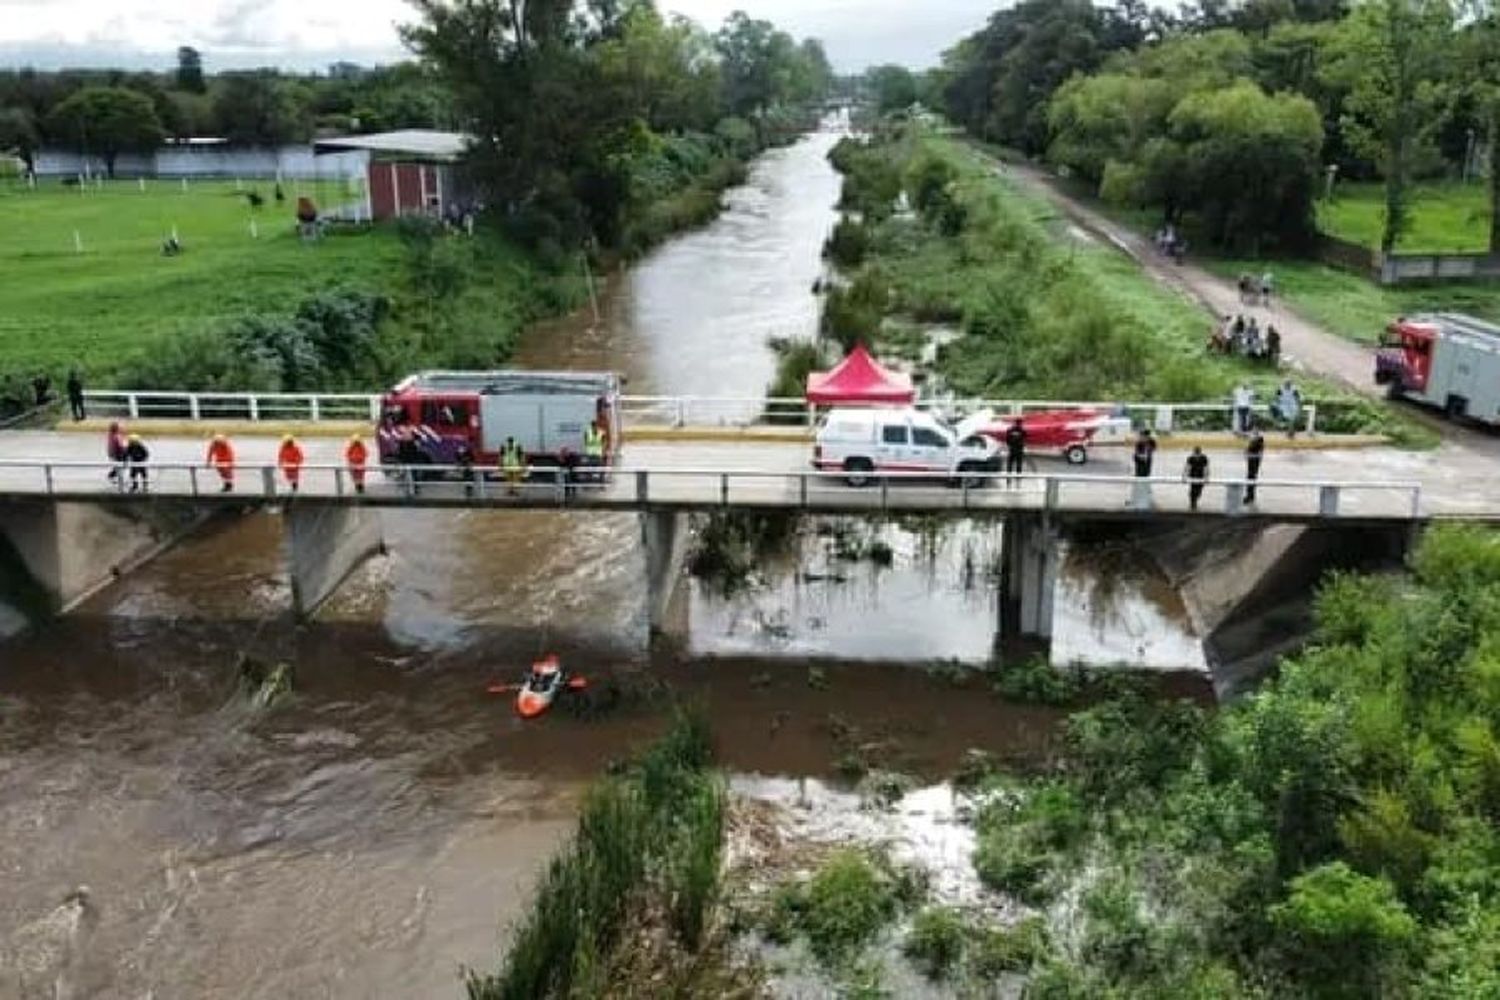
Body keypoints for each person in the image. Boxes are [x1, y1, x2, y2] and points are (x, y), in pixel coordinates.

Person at [1184, 446, 1209, 512]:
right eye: (1195, 453)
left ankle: (1194, 501)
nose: (1196, 455)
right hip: (1193, 476)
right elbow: (1187, 467)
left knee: (1199, 491)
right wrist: (1184, 476)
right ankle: (1193, 504)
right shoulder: (1190, 458)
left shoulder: (1204, 458)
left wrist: (1206, 477)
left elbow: (1206, 468)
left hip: (1201, 477)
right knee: (1193, 490)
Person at [1244, 424, 1265, 504]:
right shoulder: (1252, 438)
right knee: (1249, 478)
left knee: (1251, 478)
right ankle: (1250, 496)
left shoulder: (1259, 439)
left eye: (1255, 429)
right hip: (1251, 460)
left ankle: (1250, 496)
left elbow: (1260, 451)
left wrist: (1258, 459)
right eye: (1253, 429)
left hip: (1254, 461)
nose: (1254, 431)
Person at [1004, 419, 1027, 486]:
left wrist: (1010, 445)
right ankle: (1018, 478)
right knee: (1018, 465)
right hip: (1019, 450)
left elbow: (1007, 440)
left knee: (1010, 465)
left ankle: (1008, 478)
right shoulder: (1022, 430)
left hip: (1012, 449)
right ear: (1020, 423)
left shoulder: (1010, 430)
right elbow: (1024, 439)